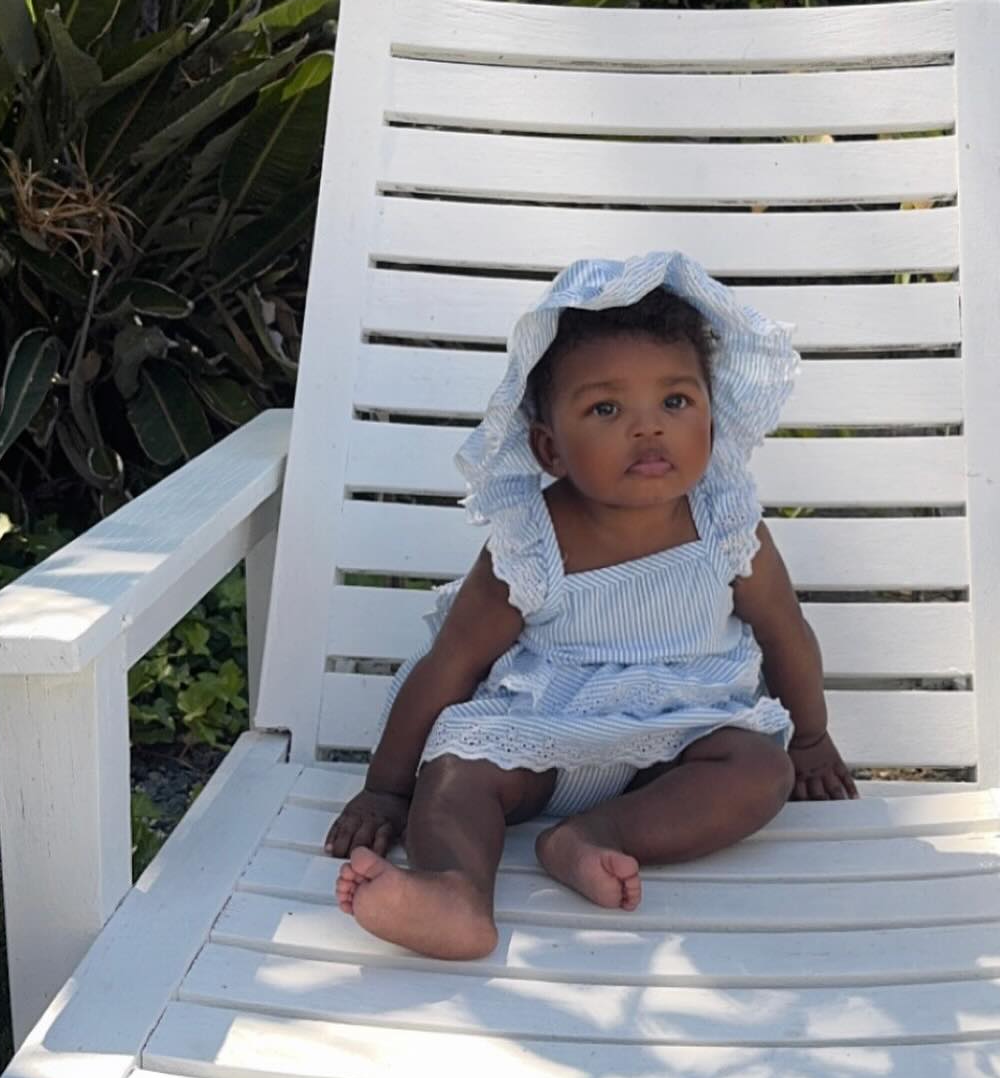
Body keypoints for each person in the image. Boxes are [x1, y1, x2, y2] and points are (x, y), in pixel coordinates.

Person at [324, 252, 856, 959]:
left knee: (761, 769)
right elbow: (449, 665)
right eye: (606, 408)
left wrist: (812, 739)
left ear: (713, 415)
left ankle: (591, 839)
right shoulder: (528, 543)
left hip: (680, 739)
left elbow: (786, 634)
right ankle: (454, 890)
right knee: (454, 776)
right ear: (550, 448)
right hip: (544, 733)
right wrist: (388, 790)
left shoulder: (728, 529)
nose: (649, 428)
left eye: (675, 401)